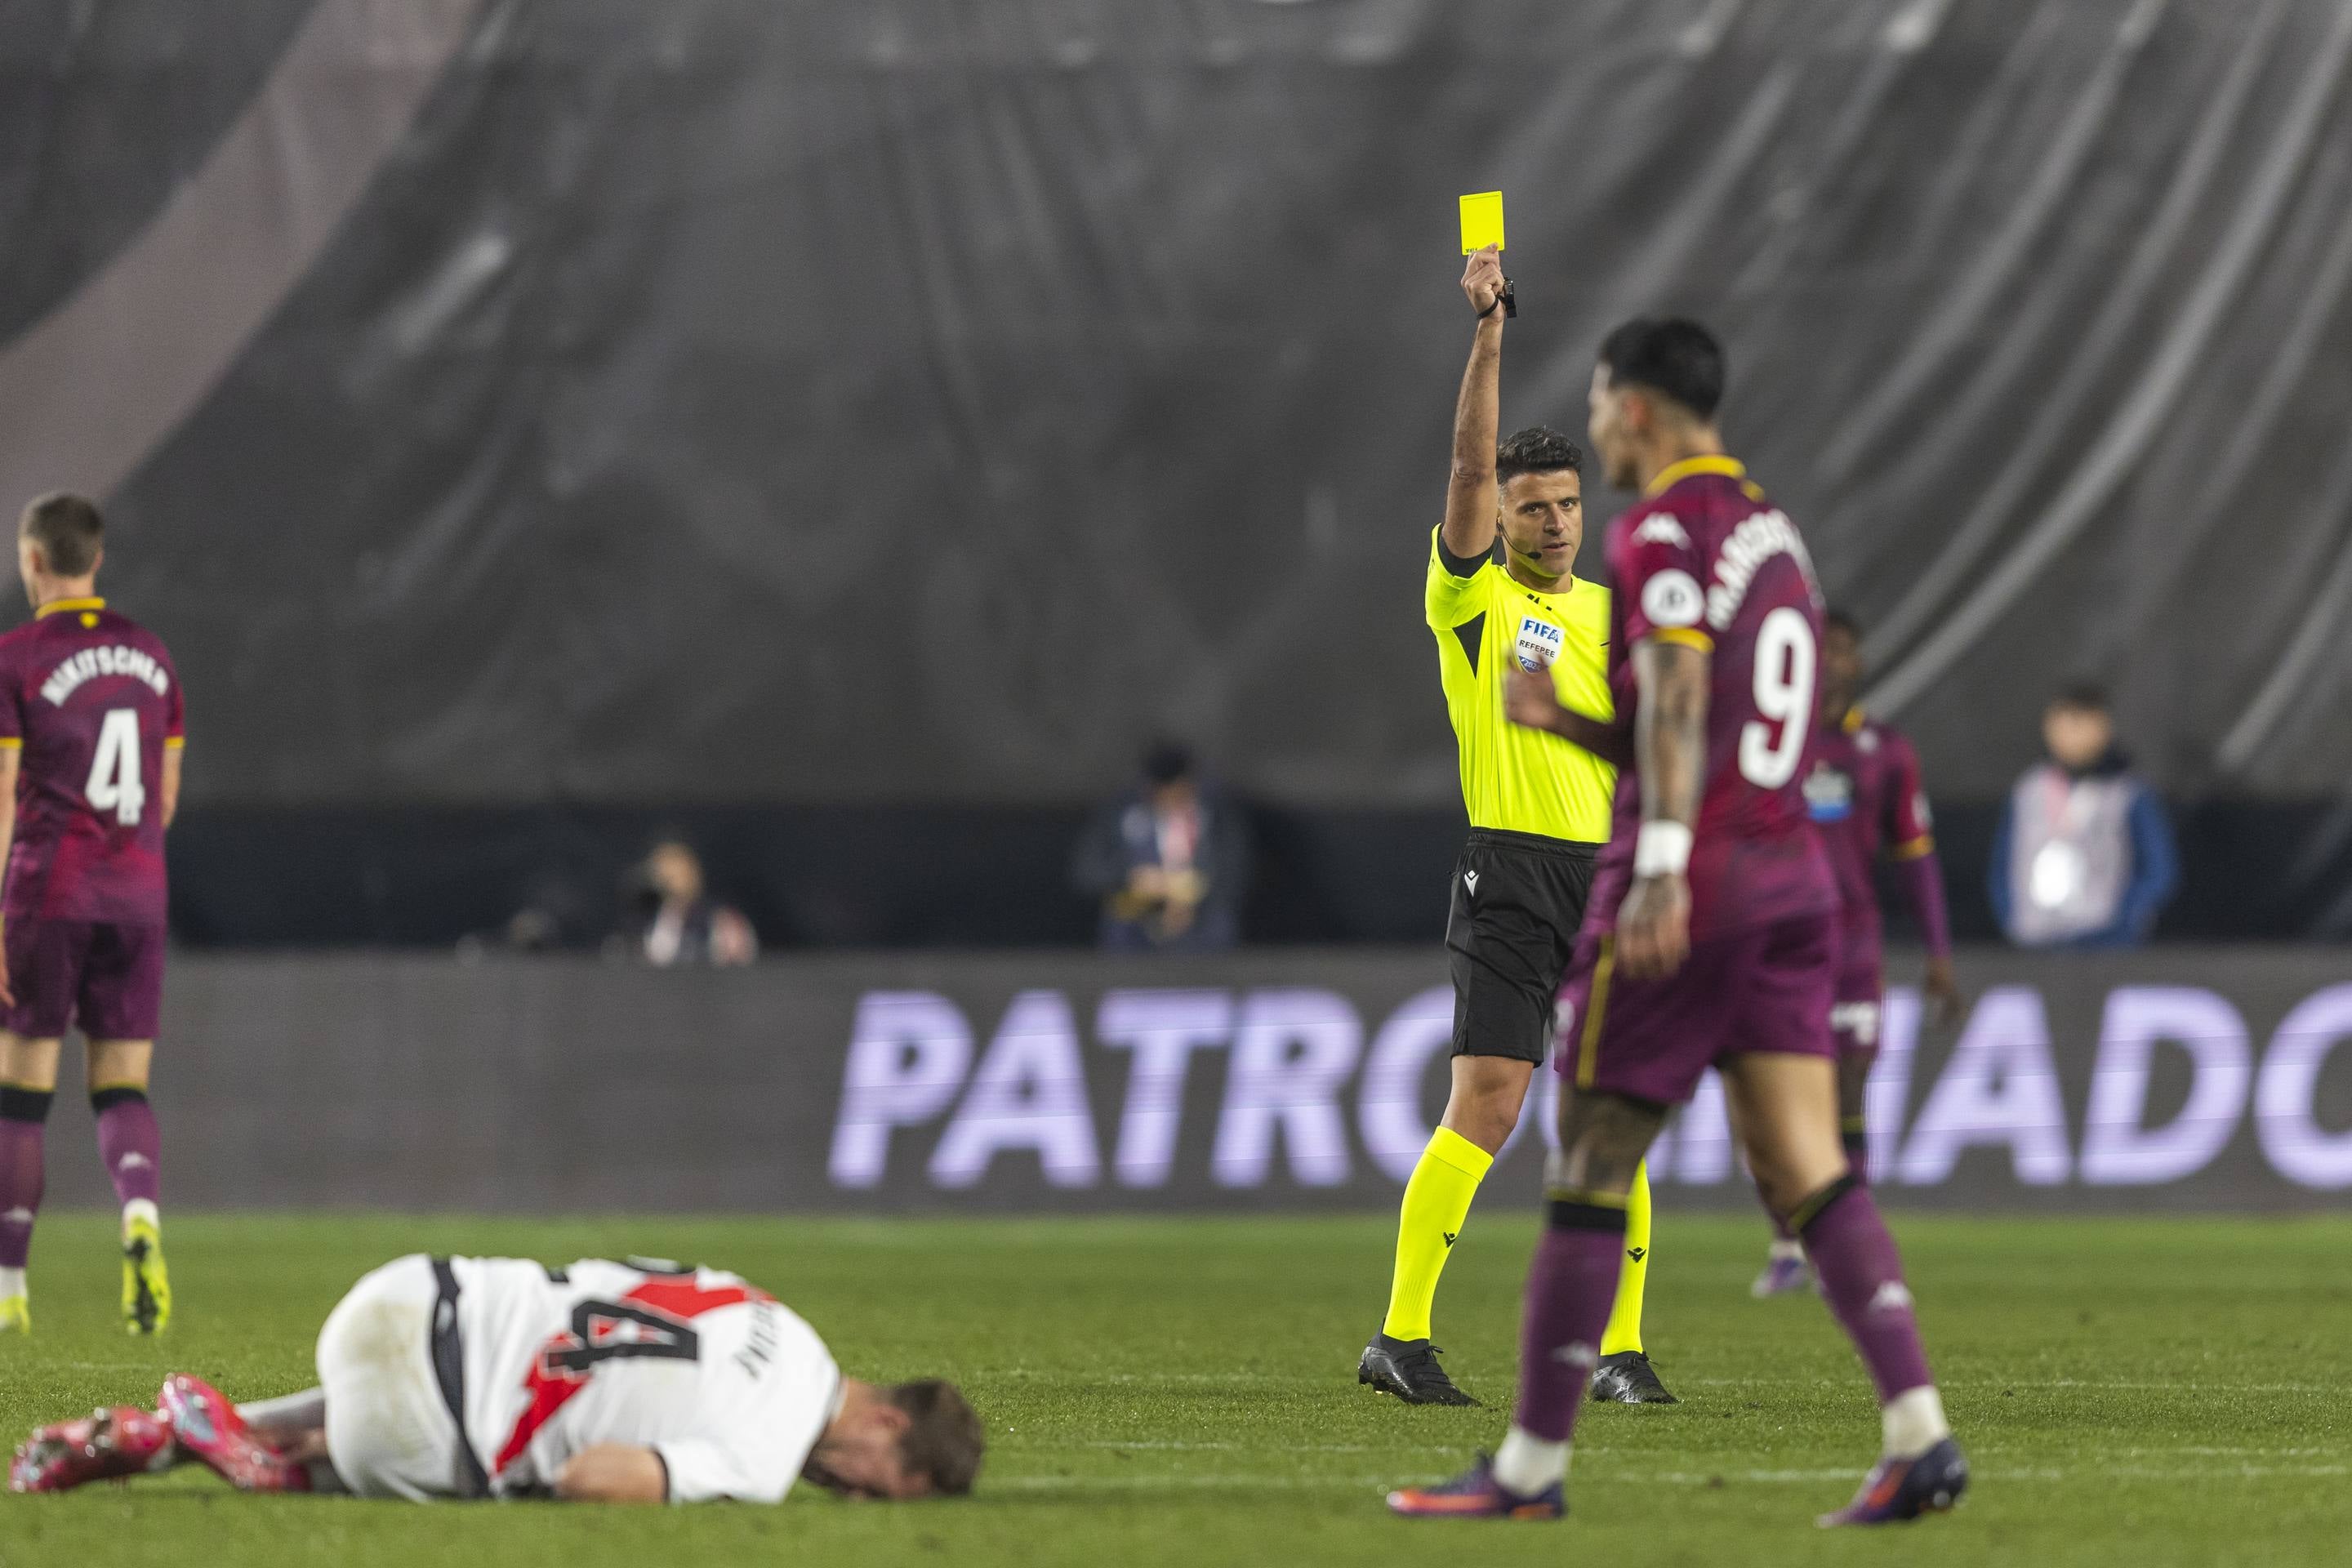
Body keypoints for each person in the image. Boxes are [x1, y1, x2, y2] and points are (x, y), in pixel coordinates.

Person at [1389, 318, 1967, 1526]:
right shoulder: (1771, 533)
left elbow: (1681, 705)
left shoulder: (1659, 534)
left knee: (1595, 1138)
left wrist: (1653, 863)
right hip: (1787, 880)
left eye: (1603, 407)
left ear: (1637, 411)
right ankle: (1918, 1432)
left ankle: (1531, 1469)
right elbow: (1719, 716)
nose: (1594, 443)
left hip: (1679, 876)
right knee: (1805, 1165)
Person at [1359, 243, 1670, 1410]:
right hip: (1511, 875)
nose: (1550, 523)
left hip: (1609, 876)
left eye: (1563, 505)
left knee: (1618, 1108)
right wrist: (1491, 330)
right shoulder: (1473, 599)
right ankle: (1400, 1336)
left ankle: (1620, 1352)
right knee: (1489, 1105)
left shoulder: (1612, 609)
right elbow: (1460, 463)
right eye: (1529, 506)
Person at [11, 1251, 984, 1504]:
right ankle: (265, 1462)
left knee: (486, 1390)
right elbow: (590, 1480)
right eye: (876, 1489)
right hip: (418, 1425)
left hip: (404, 1296)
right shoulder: (768, 1459)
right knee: (493, 1458)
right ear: (890, 1430)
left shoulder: (773, 1310)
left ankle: (167, 1433)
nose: (849, 1494)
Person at [0, 493, 183, 1337]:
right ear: (95, 560)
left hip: (49, 894)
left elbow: (4, 798)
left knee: (21, 1094)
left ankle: (7, 1292)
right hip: (137, 893)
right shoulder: (153, 657)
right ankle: (139, 1214)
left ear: (33, 561)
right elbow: (166, 798)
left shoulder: (17, 659)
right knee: (121, 1083)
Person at [1751, 609, 1961, 1297]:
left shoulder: (1884, 751)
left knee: (1846, 1094)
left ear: (1859, 663)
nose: (1835, 663)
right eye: (1823, 649)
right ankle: (1788, 1243)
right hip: (1775, 944)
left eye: (1845, 650)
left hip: (1851, 951)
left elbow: (1917, 859)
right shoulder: (1768, 745)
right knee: (1775, 1098)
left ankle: (1845, 1248)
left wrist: (1938, 955)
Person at [1989, 685, 2176, 948]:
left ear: (2102, 727)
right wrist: (2011, 917)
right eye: (2061, 724)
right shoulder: (2029, 791)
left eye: (2079, 724)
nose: (2069, 735)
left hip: (2105, 945)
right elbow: (2004, 860)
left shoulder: (2127, 793)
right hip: (2035, 942)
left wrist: (2123, 920)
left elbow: (2158, 868)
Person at [1069, 742, 1250, 953]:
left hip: (1201, 924)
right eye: (1163, 793)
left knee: (1218, 923)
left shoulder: (1216, 815)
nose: (1171, 800)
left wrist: (1191, 891)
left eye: (1179, 791)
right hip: (1135, 926)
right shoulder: (1121, 812)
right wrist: (1134, 877)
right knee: (1120, 920)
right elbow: (1087, 872)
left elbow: (1237, 872)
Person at [624, 835, 757, 966]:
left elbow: (739, 969)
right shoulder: (646, 922)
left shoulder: (722, 920)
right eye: (663, 868)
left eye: (677, 868)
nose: (670, 877)